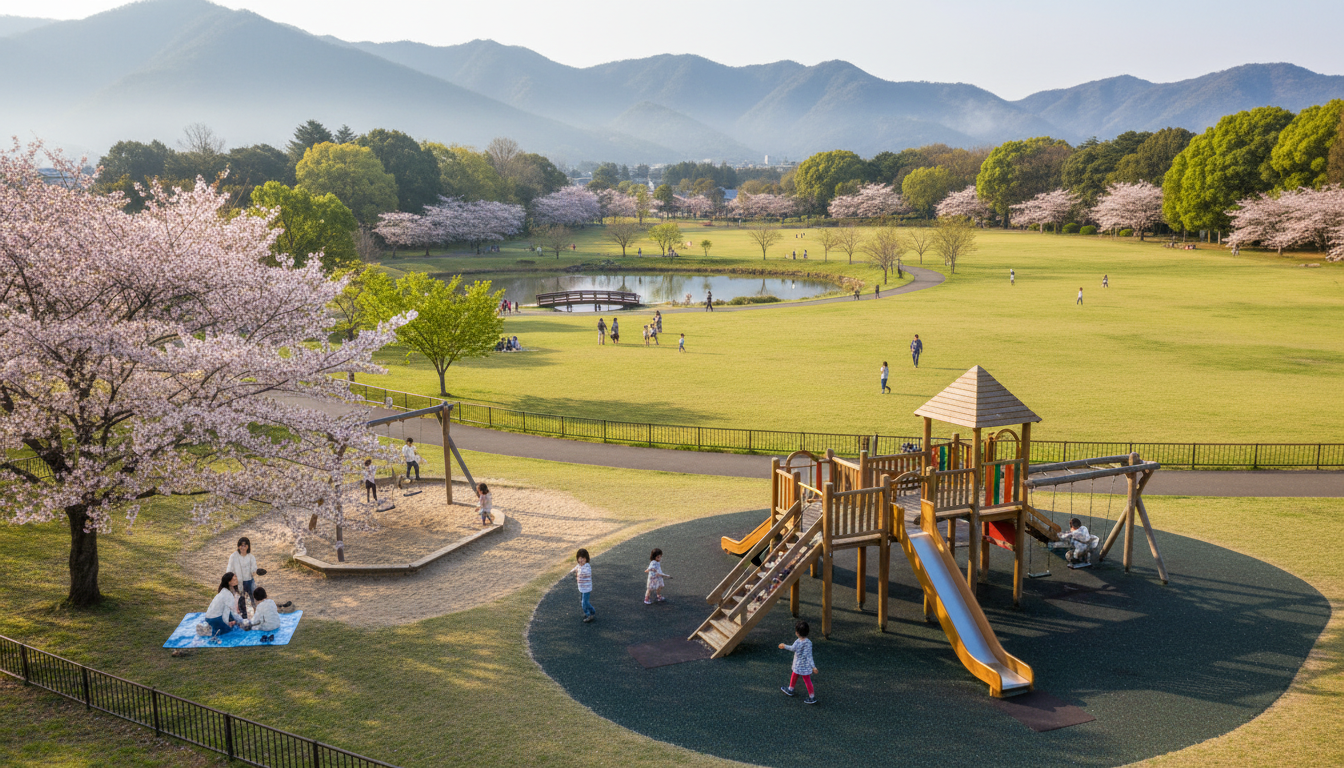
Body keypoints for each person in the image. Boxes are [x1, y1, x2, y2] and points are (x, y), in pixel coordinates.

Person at [779, 620, 818, 704]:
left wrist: (784, 646)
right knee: (807, 681)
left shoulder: (797, 642)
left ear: (797, 633)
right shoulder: (809, 643)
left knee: (794, 675)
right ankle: (812, 696)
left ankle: (791, 689)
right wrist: (813, 666)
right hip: (806, 666)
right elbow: (809, 656)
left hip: (798, 665)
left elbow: (792, 648)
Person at [203, 573, 244, 637]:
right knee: (229, 632)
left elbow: (228, 611)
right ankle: (208, 631)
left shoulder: (223, 590)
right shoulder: (228, 594)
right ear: (229, 582)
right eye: (234, 579)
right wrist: (241, 621)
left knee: (232, 625)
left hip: (208, 617)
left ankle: (209, 627)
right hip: (215, 619)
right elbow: (232, 612)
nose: (237, 580)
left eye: (236, 578)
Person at [228, 537, 258, 613]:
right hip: (238, 582)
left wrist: (257, 571)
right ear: (238, 546)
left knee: (254, 599)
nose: (243, 547)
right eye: (241, 545)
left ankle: (257, 614)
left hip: (250, 581)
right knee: (241, 601)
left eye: (245, 545)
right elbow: (229, 569)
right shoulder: (233, 556)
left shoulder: (251, 557)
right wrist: (230, 581)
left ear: (248, 546)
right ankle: (243, 617)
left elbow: (253, 569)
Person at [572, 548, 595, 622]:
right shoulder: (579, 566)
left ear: (586, 559)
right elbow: (575, 568)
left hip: (587, 588)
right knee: (583, 601)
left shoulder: (587, 566)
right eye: (579, 558)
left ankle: (590, 614)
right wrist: (572, 571)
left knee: (584, 603)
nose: (581, 560)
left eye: (583, 558)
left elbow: (585, 573)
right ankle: (590, 612)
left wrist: (578, 571)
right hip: (581, 588)